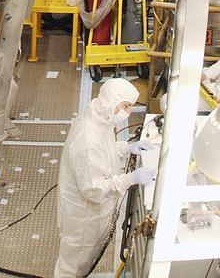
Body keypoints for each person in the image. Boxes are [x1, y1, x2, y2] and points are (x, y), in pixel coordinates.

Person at [55, 77, 156, 278]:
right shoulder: (88, 140)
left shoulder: (100, 117)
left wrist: (127, 148)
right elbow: (92, 189)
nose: (128, 112)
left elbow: (105, 150)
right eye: (126, 105)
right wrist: (130, 179)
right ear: (112, 100)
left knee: (83, 260)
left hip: (94, 213)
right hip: (83, 216)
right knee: (72, 265)